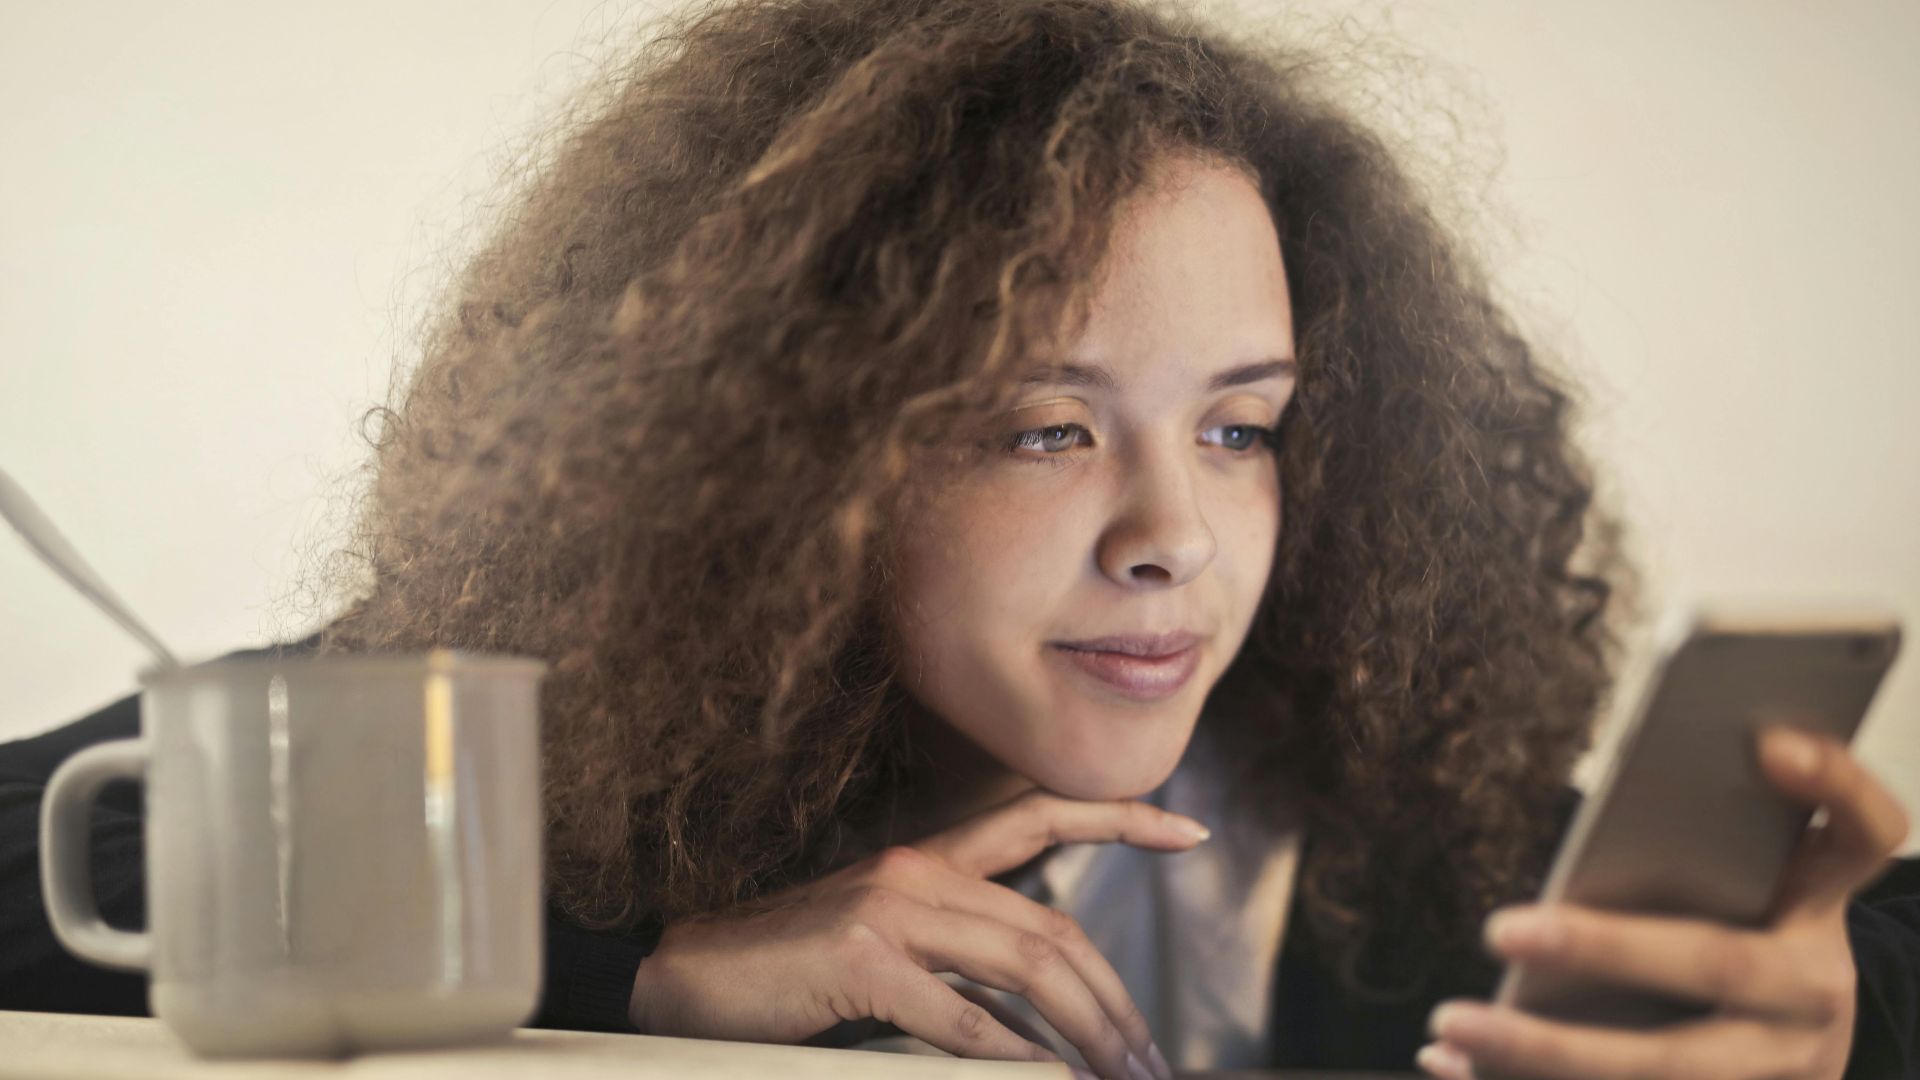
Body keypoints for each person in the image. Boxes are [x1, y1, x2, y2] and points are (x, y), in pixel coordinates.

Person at [2, 0, 1915, 1077]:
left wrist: (1842, 1025)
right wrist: (652, 970)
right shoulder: (509, 756)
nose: (1176, 535)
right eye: (1042, 427)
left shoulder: (1367, 791)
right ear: (780, 459)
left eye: (1243, 427)